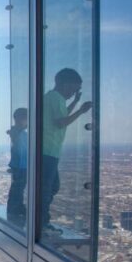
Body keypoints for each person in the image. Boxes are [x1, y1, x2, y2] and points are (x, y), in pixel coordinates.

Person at [41, 68, 93, 236]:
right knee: (48, 188)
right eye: (73, 89)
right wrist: (81, 111)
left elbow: (61, 115)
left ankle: (40, 219)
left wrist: (76, 103)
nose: (72, 93)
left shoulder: (51, 98)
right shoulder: (56, 99)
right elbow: (61, 122)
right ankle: (42, 223)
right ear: (65, 84)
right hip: (48, 151)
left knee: (50, 187)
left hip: (47, 151)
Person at [6, 108, 28, 226]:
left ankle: (17, 207)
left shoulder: (21, 133)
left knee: (19, 188)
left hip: (22, 165)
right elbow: (16, 130)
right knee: (18, 188)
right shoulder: (16, 131)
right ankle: (14, 208)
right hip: (20, 166)